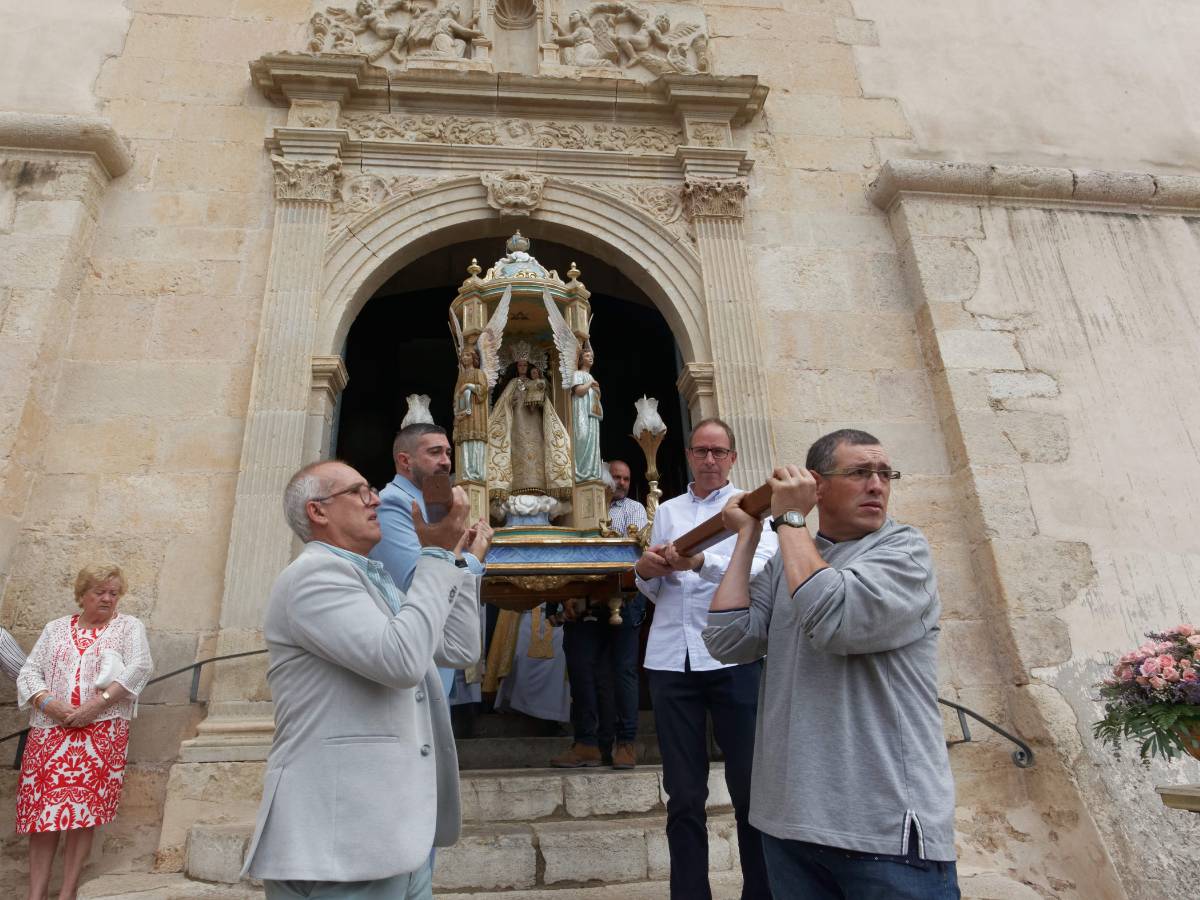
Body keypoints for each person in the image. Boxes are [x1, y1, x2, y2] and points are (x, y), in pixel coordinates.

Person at [703, 429, 959, 899]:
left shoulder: (904, 551)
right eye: (860, 472)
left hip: (883, 834)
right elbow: (726, 639)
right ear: (819, 485)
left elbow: (833, 619)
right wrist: (746, 537)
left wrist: (790, 519)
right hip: (788, 826)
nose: (877, 485)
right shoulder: (788, 562)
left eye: (885, 473)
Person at [242, 460, 481, 899]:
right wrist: (435, 555)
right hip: (343, 842)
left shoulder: (371, 578)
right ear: (318, 511)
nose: (375, 499)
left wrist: (460, 562)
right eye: (359, 491)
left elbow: (459, 649)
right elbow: (402, 661)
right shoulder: (314, 576)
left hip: (394, 838)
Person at [634, 418, 777, 900]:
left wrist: (700, 563)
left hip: (734, 658)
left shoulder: (754, 509)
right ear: (690, 456)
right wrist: (646, 571)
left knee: (750, 789)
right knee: (684, 796)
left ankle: (760, 891)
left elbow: (762, 573)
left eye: (719, 452)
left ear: (733, 458)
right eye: (701, 451)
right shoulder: (669, 511)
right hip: (673, 660)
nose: (710, 460)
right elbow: (656, 591)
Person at [16, 563, 153, 900]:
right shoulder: (55, 629)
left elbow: (140, 667)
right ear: (82, 595)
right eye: (100, 592)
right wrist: (51, 705)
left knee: (82, 814)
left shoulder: (128, 627)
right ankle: (35, 895)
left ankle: (67, 893)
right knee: (42, 815)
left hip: (101, 732)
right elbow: (29, 673)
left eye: (114, 593)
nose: (108, 598)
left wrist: (97, 705)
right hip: (50, 732)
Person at [371, 423, 493, 707]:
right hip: (413, 656)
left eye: (448, 453)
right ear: (405, 460)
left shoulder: (429, 502)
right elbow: (415, 582)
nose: (446, 461)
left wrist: (458, 545)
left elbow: (440, 565)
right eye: (435, 452)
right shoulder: (393, 503)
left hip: (432, 657)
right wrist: (473, 557)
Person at [552, 459, 648, 769]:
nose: (620, 483)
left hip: (625, 598)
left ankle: (626, 742)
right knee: (582, 670)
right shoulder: (577, 508)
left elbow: (634, 549)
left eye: (625, 478)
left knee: (623, 672)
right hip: (582, 600)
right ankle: (587, 743)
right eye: (615, 477)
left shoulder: (634, 510)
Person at [486, 346, 573, 520]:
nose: (523, 368)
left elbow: (546, 404)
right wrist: (514, 401)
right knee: (518, 453)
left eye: (526, 366)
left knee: (538, 452)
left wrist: (539, 399)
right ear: (516, 367)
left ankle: (538, 489)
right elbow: (503, 403)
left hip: (536, 425)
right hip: (517, 426)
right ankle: (516, 487)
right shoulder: (513, 384)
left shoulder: (538, 383)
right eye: (520, 366)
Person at [571, 345, 603, 483]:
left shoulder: (590, 376)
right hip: (581, 411)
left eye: (592, 357)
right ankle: (580, 472)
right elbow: (579, 391)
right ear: (580, 359)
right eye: (587, 356)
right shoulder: (578, 374)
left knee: (593, 442)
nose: (590, 358)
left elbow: (596, 397)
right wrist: (590, 383)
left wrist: (597, 390)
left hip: (592, 414)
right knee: (581, 438)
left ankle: (591, 472)